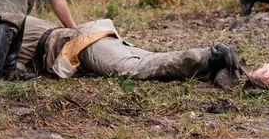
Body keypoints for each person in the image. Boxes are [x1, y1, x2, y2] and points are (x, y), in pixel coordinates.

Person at [15, 15, 245, 88]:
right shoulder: (18, 25)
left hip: (82, 46)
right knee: (147, 62)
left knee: (136, 67)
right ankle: (211, 68)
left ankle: (211, 55)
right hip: (87, 42)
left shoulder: (12, 28)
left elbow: (12, 70)